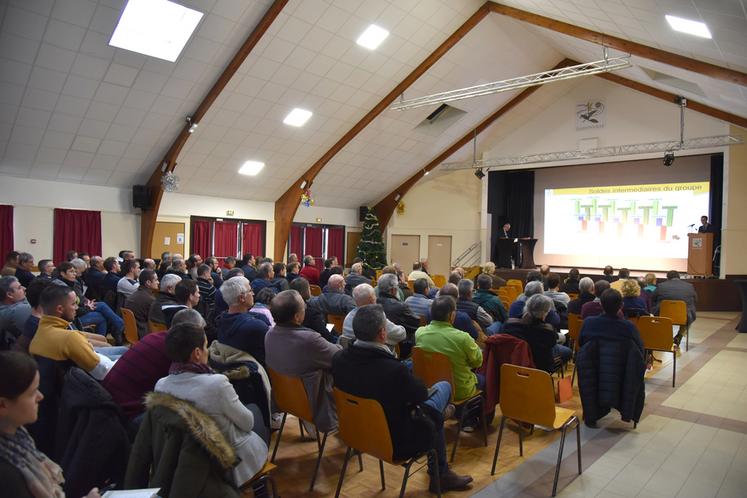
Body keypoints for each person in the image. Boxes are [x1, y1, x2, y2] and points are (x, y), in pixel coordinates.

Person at [332, 305, 473, 493]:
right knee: (443, 388)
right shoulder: (393, 370)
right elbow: (421, 394)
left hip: (357, 432)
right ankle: (441, 472)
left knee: (429, 406)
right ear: (383, 334)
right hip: (397, 440)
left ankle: (440, 420)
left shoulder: (338, 359)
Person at [154, 322, 269, 486]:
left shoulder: (161, 385)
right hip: (229, 462)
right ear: (197, 353)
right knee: (255, 412)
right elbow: (247, 423)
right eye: (206, 346)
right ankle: (260, 487)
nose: (208, 351)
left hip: (191, 462)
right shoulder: (216, 384)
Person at [0, 351, 102, 498]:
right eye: (32, 392)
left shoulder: (17, 437)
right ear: (3, 405)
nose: (40, 397)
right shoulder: (8, 476)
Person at [102, 309, 204, 423]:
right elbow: (190, 386)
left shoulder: (154, 337)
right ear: (191, 333)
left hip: (108, 402)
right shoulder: (176, 351)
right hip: (122, 415)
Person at [264, 290, 342, 432]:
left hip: (285, 399)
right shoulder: (309, 340)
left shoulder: (269, 334)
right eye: (303, 308)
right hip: (311, 402)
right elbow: (339, 357)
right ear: (297, 316)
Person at [577, 289, 645, 428]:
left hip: (593, 372)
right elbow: (640, 351)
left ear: (601, 305)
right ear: (621, 306)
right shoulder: (628, 327)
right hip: (623, 373)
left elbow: (581, 343)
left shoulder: (589, 323)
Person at [29, 285, 114, 380]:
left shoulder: (40, 331)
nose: (77, 308)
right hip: (96, 382)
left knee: (123, 349)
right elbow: (105, 372)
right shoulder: (70, 337)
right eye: (73, 304)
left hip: (64, 388)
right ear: (60, 309)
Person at [416, 296, 483, 403]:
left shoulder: (419, 333)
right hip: (459, 391)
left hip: (430, 387)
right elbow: (478, 362)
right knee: (485, 380)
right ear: (452, 315)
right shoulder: (463, 338)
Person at [502, 294, 571, 373]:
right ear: (544, 313)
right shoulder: (548, 330)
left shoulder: (509, 324)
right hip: (540, 369)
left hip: (513, 365)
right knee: (567, 351)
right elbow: (552, 345)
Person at [216, 277, 270, 365]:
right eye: (250, 290)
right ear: (242, 298)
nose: (253, 293)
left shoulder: (220, 321)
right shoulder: (256, 326)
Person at [343, 284, 406, 349]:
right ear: (372, 299)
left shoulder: (347, 317)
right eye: (375, 295)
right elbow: (401, 335)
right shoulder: (377, 317)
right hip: (377, 355)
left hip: (354, 355)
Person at [652, 270, 697, 347]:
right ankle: (679, 336)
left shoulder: (661, 286)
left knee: (655, 312)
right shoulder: (689, 286)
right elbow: (696, 300)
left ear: (667, 278)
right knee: (688, 316)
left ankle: (663, 337)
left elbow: (653, 299)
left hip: (663, 315)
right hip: (683, 316)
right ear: (679, 277)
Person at [288, 277, 334, 342]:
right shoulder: (312, 313)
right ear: (304, 291)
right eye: (309, 288)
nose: (310, 290)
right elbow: (326, 336)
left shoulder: (287, 308)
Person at [124, 269, 159, 339]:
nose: (158, 282)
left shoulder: (132, 296)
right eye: (156, 280)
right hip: (144, 335)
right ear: (148, 282)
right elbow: (156, 321)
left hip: (133, 333)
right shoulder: (150, 299)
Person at [0, 276, 31, 345]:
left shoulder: (5, 307)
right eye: (19, 288)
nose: (24, 289)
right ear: (9, 294)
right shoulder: (18, 310)